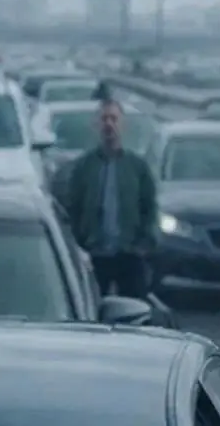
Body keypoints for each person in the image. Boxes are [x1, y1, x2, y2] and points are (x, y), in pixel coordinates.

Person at [63, 95, 157, 298]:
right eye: (104, 119)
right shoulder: (84, 166)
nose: (109, 125)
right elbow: (72, 207)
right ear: (96, 124)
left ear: (122, 124)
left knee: (134, 311)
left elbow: (150, 208)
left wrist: (143, 245)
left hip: (129, 254)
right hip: (94, 256)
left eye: (114, 119)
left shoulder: (137, 167)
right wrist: (78, 244)